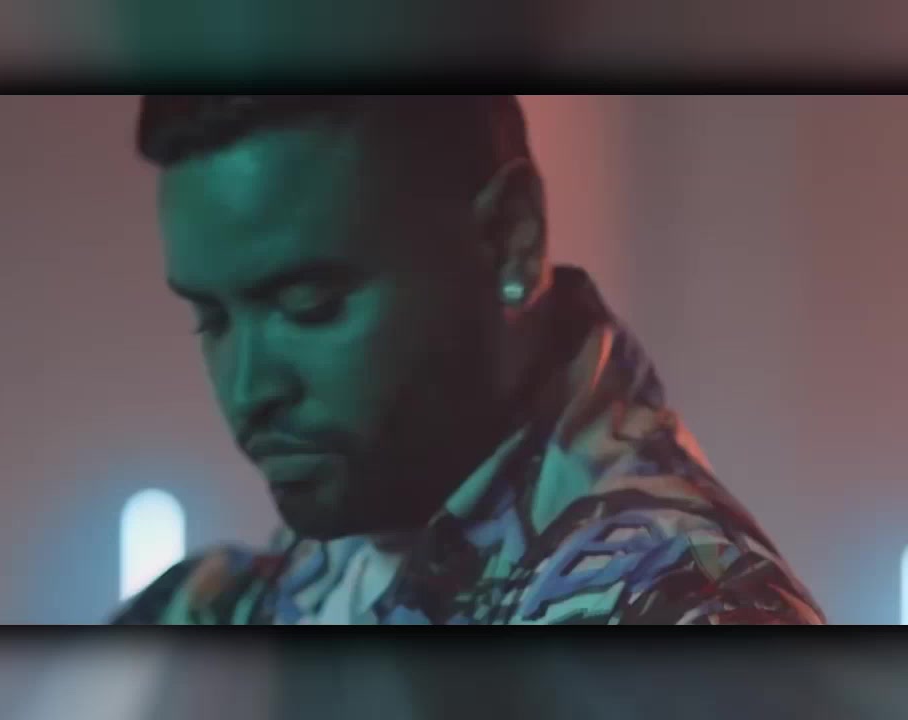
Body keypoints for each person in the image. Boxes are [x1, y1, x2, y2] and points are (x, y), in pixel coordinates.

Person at [111, 95, 823, 625]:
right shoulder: (210, 609)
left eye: (311, 305)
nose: (249, 389)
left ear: (510, 240)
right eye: (211, 319)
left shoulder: (683, 615)